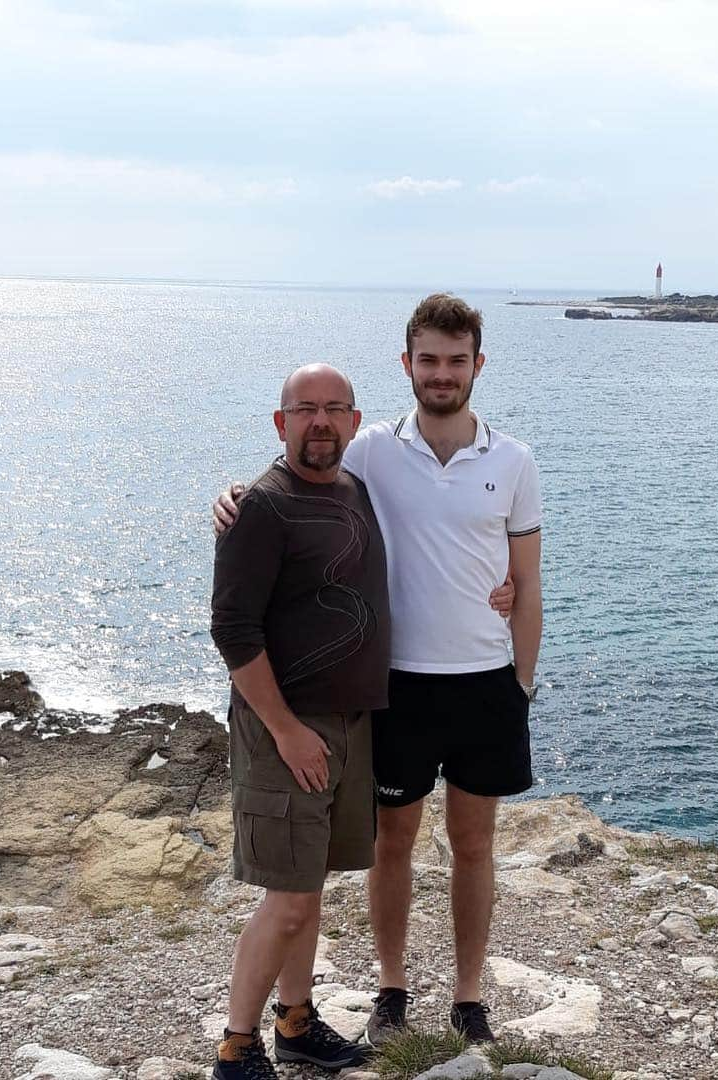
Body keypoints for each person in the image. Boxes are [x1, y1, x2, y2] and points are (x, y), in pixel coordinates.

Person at [215, 294, 543, 1046]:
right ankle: (392, 985)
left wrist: (520, 687)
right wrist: (230, 496)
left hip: (485, 683)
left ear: (477, 367)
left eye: (456, 361)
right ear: (407, 365)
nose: (442, 374)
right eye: (428, 359)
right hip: (394, 685)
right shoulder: (371, 449)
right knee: (390, 844)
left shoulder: (514, 460)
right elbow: (299, 471)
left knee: (476, 845)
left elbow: (526, 587)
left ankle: (468, 995)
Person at [209, 364, 389, 1080]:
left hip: (348, 726)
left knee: (309, 888)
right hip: (284, 730)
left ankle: (296, 1024)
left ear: (353, 420)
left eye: (333, 408)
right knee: (286, 900)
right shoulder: (261, 506)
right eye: (304, 409)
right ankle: (236, 1045)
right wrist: (284, 729)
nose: (320, 421)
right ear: (279, 424)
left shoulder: (357, 489)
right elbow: (233, 631)